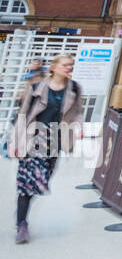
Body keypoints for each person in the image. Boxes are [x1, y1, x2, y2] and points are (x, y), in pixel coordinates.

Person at [7, 53, 84, 244]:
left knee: (40, 183)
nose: (69, 68)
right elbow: (23, 115)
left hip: (56, 141)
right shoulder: (36, 88)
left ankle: (23, 210)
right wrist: (14, 143)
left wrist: (78, 127)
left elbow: (78, 113)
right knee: (27, 183)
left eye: (71, 65)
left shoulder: (74, 88)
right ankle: (22, 224)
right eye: (65, 65)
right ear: (54, 67)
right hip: (33, 139)